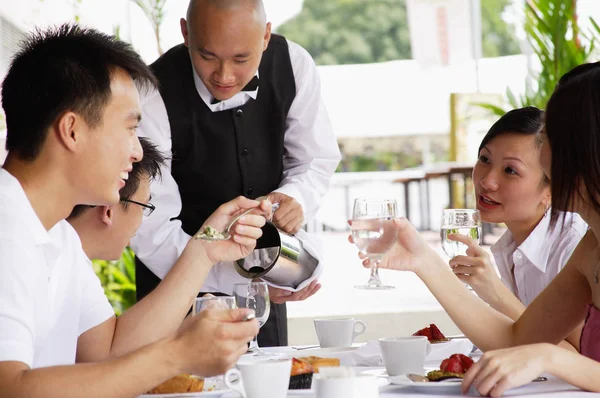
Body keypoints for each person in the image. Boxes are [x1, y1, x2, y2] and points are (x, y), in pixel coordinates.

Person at [0, 24, 266, 397]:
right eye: (129, 129)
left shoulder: (55, 232)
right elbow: (10, 389)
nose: (138, 152)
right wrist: (176, 354)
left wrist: (205, 248)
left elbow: (108, 350)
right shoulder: (5, 231)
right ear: (72, 131)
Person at [352, 63, 600, 396]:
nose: (540, 152)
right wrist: (423, 261)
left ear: (583, 148)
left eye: (547, 138)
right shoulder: (591, 243)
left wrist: (548, 356)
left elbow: (539, 349)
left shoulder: (575, 240)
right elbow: (515, 339)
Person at [132, 0, 341, 346]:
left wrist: (296, 197)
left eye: (241, 59)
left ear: (265, 36)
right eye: (208, 56)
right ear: (185, 33)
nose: (224, 75)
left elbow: (315, 160)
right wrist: (242, 281)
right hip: (171, 299)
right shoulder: (151, 90)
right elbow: (150, 225)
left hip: (262, 291)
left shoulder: (294, 64)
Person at [446, 107, 586, 350]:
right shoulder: (510, 245)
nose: (486, 181)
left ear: (553, 190)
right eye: (485, 159)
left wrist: (496, 294)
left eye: (510, 170)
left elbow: (583, 361)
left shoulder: (573, 246)